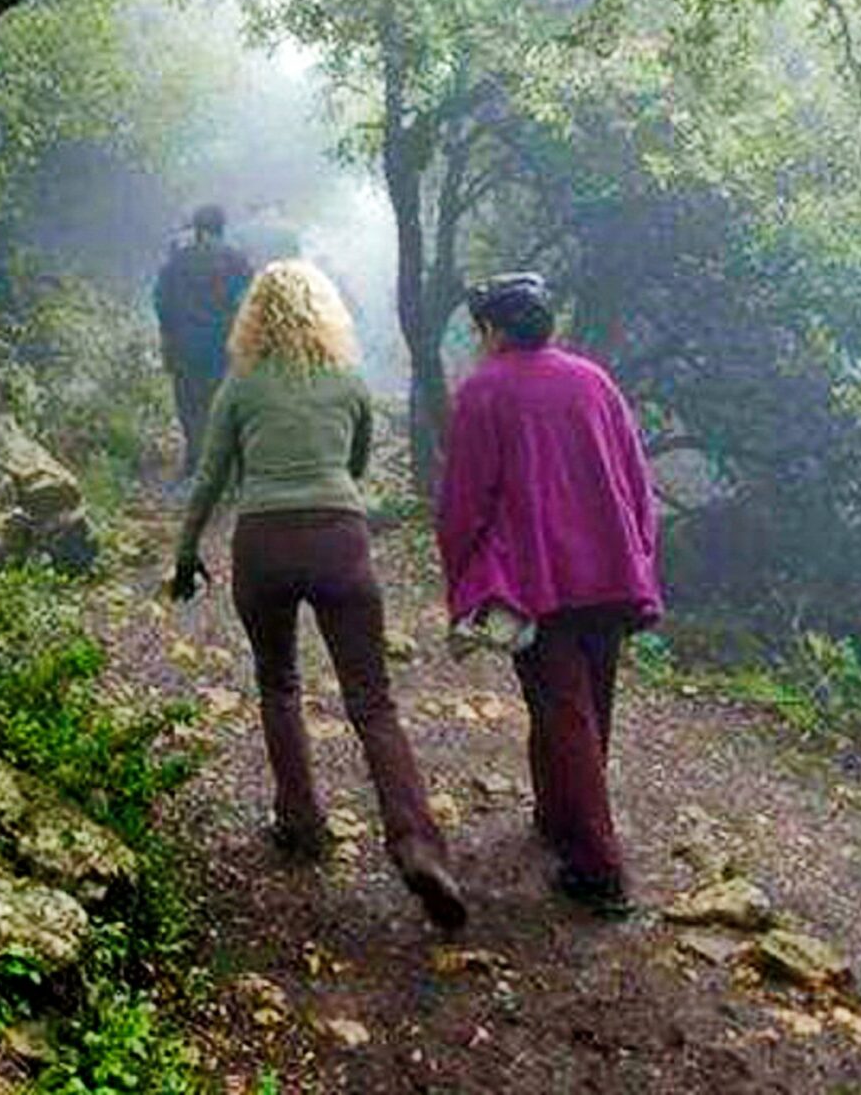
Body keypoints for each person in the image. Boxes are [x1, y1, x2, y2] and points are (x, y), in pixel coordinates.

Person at [173, 259, 467, 930]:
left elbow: (212, 476)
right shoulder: (348, 379)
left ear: (254, 316)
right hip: (339, 536)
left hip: (264, 542)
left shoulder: (241, 383)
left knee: (278, 683)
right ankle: (418, 843)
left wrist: (187, 551)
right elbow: (358, 464)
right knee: (372, 699)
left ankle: (301, 820)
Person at [435, 272, 661, 917]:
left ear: (495, 329)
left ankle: (599, 870)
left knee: (562, 711)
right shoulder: (594, 380)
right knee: (589, 707)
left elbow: (464, 503)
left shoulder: (484, 391)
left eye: (480, 330)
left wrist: (462, 583)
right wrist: (641, 556)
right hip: (612, 570)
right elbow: (635, 478)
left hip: (539, 581)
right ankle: (559, 818)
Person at [152, 204, 252, 477]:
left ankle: (196, 456)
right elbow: (249, 302)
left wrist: (168, 332)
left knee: (189, 403)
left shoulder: (178, 260)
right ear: (222, 227)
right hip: (224, 345)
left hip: (184, 344)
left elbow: (160, 301)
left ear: (197, 229)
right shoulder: (238, 260)